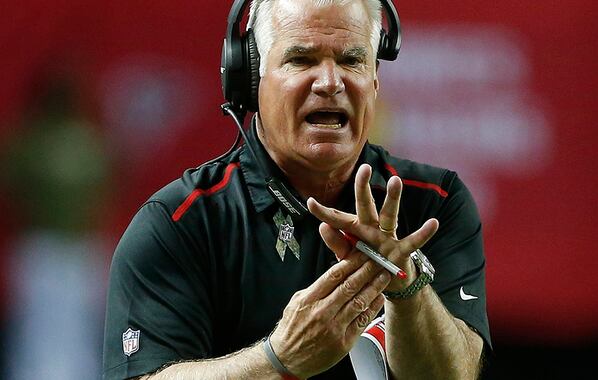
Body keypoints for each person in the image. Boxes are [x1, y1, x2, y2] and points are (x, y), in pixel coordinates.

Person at [102, 0, 491, 379]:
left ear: (374, 81)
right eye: (301, 60)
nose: (329, 82)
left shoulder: (435, 202)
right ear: (252, 82)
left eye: (350, 60)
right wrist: (279, 359)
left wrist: (408, 287)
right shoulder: (179, 223)